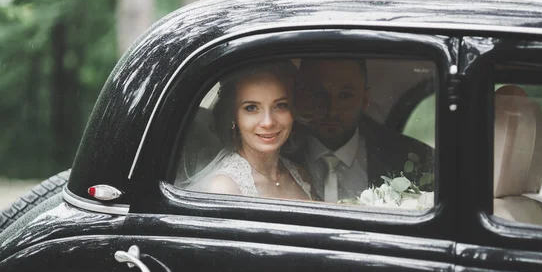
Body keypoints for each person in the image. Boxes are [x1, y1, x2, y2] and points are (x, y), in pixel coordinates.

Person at [294, 58, 434, 202]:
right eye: (319, 94)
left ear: (365, 99)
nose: (332, 110)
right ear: (301, 97)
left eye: (345, 95)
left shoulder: (413, 157)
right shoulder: (279, 152)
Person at [184, 61, 312, 200]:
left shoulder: (299, 175)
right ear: (233, 117)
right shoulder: (224, 188)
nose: (268, 122)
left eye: (281, 105)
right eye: (251, 108)